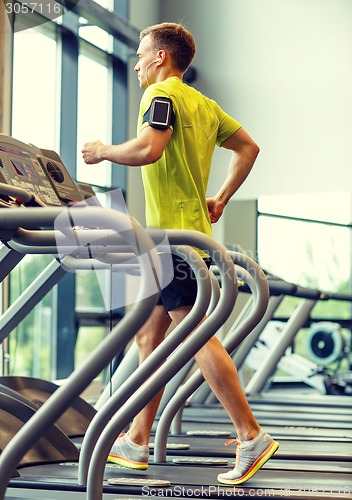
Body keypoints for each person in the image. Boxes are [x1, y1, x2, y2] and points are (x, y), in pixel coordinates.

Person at [82, 22, 279, 485]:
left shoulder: (160, 96)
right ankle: (136, 437)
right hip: (177, 239)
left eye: (139, 55)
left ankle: (250, 435)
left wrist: (103, 152)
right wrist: (222, 197)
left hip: (175, 242)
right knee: (149, 339)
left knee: (193, 336)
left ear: (160, 58)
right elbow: (249, 147)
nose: (134, 65)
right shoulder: (205, 106)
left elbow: (151, 149)